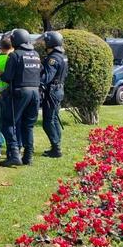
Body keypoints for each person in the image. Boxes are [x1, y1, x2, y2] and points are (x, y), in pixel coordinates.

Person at [0, 29, 41, 167]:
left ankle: (14, 154)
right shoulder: (35, 54)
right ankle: (28, 157)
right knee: (28, 125)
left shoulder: (15, 55)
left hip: (20, 92)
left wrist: (0, 74)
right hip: (35, 92)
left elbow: (7, 77)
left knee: (7, 123)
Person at [40, 31, 68, 159]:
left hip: (52, 91)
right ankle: (56, 146)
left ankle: (56, 148)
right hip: (59, 89)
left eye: (46, 41)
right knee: (54, 119)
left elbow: (47, 77)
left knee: (48, 121)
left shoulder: (53, 58)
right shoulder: (62, 56)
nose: (45, 43)